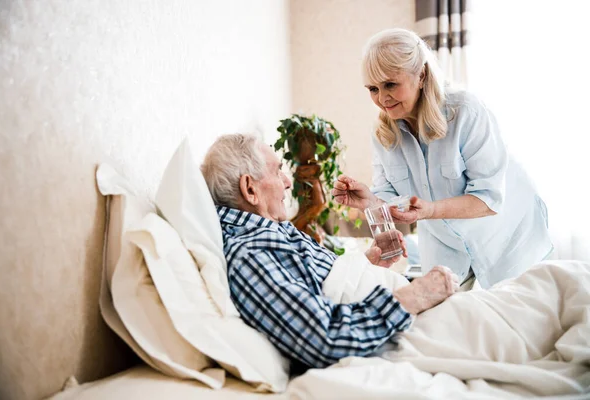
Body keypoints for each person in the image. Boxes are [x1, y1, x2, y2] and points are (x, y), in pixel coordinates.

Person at [201, 133, 459, 369]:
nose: (288, 182)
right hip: (412, 326)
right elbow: (326, 338)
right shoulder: (250, 253)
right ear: (250, 189)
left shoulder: (268, 233)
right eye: (278, 171)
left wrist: (366, 264)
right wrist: (417, 295)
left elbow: (320, 284)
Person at [332, 28, 553, 289]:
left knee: (515, 318)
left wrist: (431, 210)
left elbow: (489, 198)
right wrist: (370, 201)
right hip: (442, 243)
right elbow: (394, 199)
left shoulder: (466, 112)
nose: (382, 98)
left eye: (390, 84)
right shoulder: (383, 132)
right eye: (373, 88)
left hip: (505, 236)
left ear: (421, 74)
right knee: (449, 318)